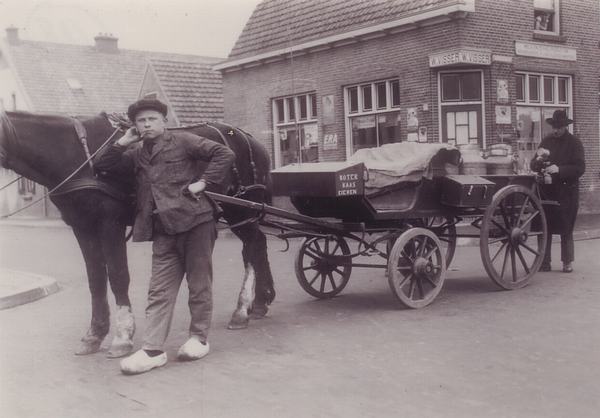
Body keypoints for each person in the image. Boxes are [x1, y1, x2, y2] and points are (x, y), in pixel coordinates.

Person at [95, 98, 235, 374]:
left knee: (199, 284)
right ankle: (153, 350)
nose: (147, 124)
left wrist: (203, 182)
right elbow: (103, 165)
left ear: (164, 121)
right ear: (135, 126)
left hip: (196, 221)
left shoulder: (184, 140)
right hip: (162, 229)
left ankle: (198, 338)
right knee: (159, 291)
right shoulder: (136, 152)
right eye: (141, 121)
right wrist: (123, 142)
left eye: (152, 119)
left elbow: (224, 153)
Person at [531, 109, 585, 273]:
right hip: (546, 191)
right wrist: (538, 162)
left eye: (559, 127)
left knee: (566, 227)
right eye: (554, 127)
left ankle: (567, 262)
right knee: (544, 225)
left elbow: (580, 168)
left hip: (566, 192)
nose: (555, 130)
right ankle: (544, 261)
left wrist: (559, 169)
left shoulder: (575, 143)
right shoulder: (546, 141)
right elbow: (533, 164)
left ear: (565, 126)